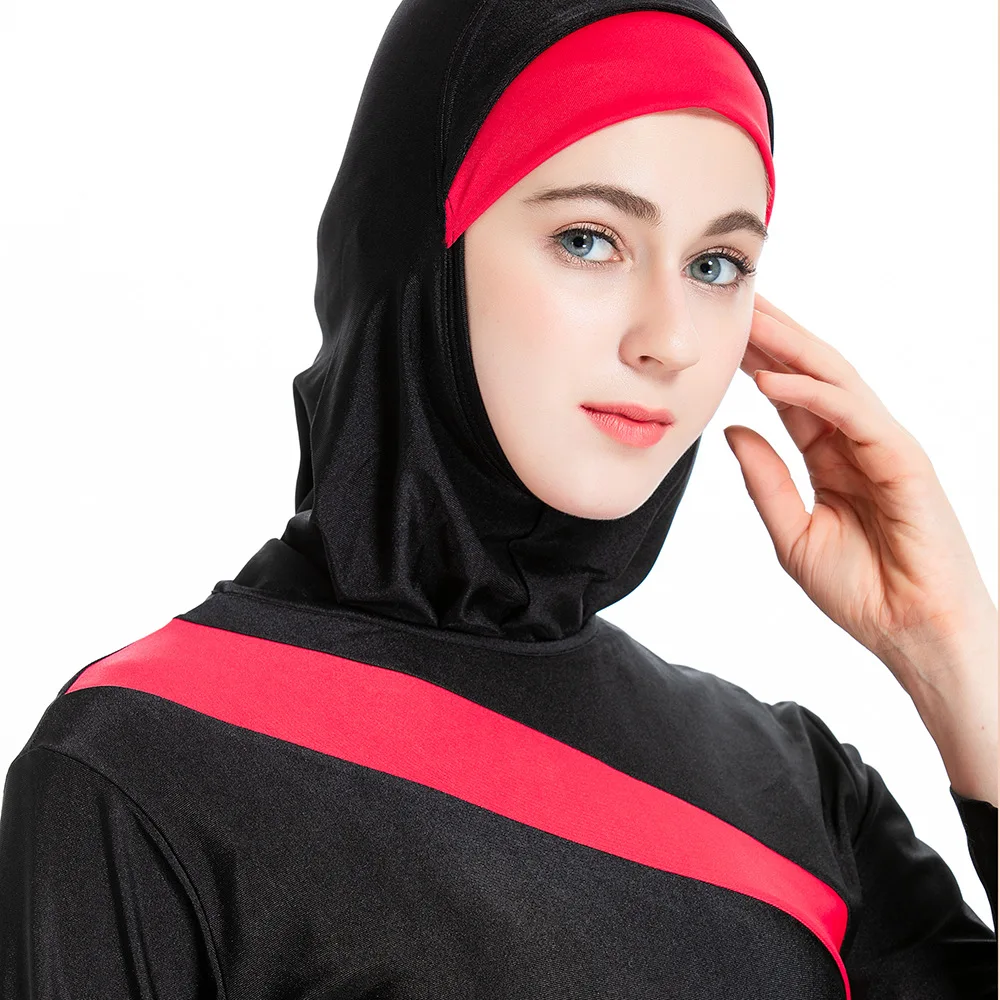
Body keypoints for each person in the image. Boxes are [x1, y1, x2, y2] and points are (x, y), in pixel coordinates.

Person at [0, 0, 996, 996]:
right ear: (423, 246)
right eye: (590, 240)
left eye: (714, 265)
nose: (669, 338)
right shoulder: (145, 764)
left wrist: (957, 654)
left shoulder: (797, 797)